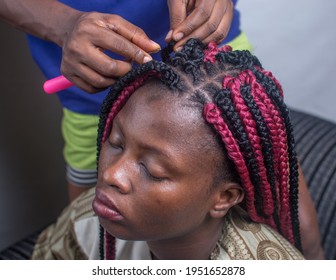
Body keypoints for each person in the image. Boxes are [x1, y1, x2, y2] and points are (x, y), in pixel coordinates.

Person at [0, 0, 323, 260]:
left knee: (299, 229)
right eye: (114, 143)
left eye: (153, 171)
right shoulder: (82, 222)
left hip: (214, 73)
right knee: (96, 238)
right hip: (91, 80)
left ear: (226, 197)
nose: (113, 174)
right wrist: (62, 23)